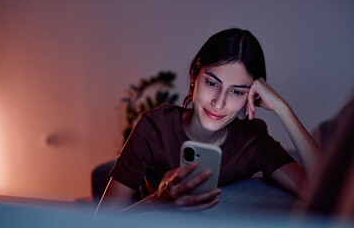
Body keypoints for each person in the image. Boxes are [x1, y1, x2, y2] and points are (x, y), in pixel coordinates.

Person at [95, 28, 323, 214]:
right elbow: (101, 221)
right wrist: (156, 202)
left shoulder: (252, 141)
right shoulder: (154, 128)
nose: (218, 102)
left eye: (236, 92)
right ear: (194, 77)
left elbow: (325, 191)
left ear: (251, 96)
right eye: (212, 83)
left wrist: (283, 109)